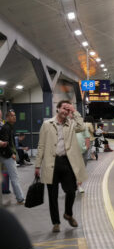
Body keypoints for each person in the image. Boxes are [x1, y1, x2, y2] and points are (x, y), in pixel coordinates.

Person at [35, 100, 87, 233]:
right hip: (51, 163)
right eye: (63, 108)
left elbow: (82, 127)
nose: (65, 111)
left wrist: (74, 112)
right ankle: (56, 223)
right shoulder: (47, 125)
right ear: (57, 109)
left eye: (68, 109)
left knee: (71, 191)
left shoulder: (71, 124)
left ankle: (68, 214)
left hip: (66, 162)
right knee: (52, 196)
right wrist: (37, 165)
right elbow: (41, 145)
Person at [0, 110, 25, 204]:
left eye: (14, 115)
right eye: (12, 116)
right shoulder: (6, 128)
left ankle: (20, 198)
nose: (14, 117)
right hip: (7, 156)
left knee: (12, 177)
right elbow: (5, 143)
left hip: (6, 155)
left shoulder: (9, 127)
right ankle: (20, 198)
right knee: (15, 178)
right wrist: (12, 154)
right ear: (7, 117)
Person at [75, 122, 91, 193]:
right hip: (71, 152)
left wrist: (86, 147)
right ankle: (73, 184)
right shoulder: (67, 125)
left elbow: (87, 137)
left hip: (83, 151)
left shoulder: (83, 126)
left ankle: (79, 185)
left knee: (81, 169)